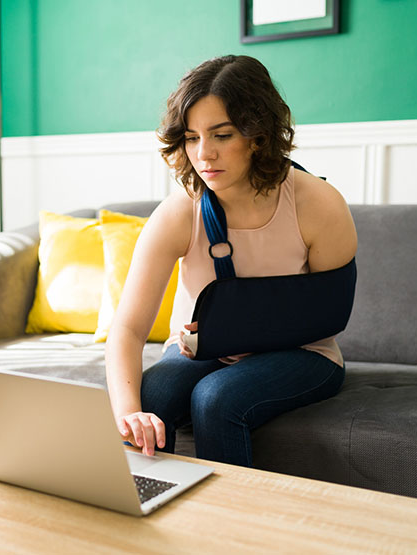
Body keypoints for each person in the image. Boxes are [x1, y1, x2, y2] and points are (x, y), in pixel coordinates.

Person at [104, 55, 357, 467]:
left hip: (306, 355)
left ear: (258, 135)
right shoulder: (178, 214)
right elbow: (128, 329)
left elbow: (330, 314)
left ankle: (228, 528)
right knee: (152, 395)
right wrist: (128, 414)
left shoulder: (319, 205)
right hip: (201, 353)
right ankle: (145, 508)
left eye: (221, 135)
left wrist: (236, 330)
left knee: (215, 398)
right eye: (191, 137)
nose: (204, 154)